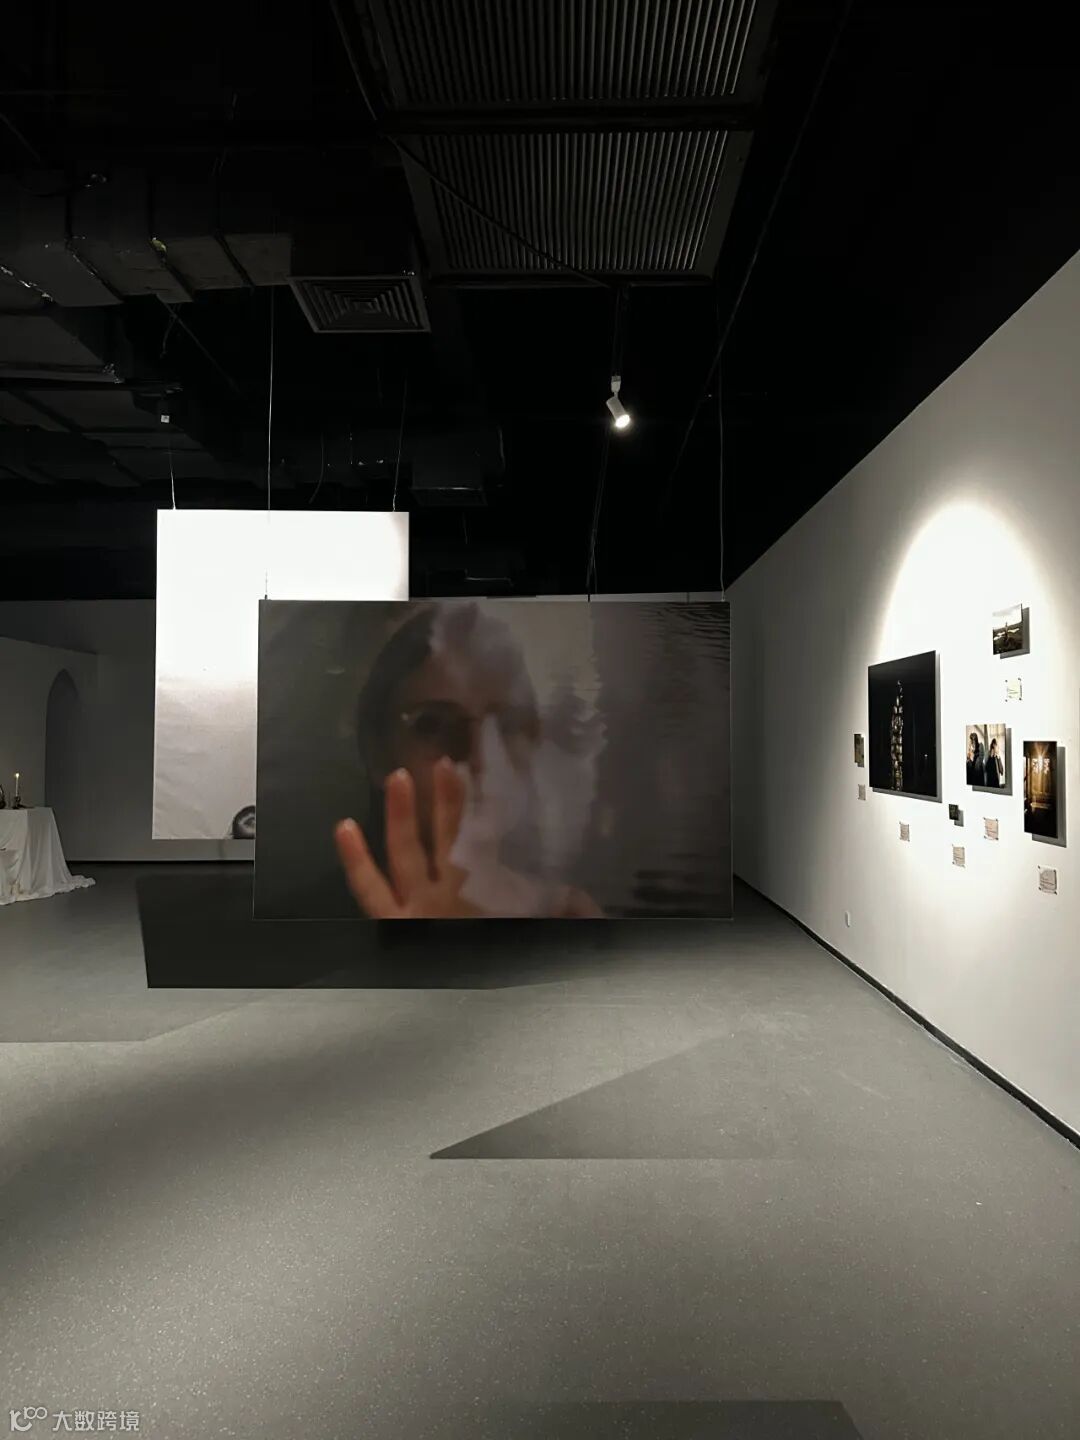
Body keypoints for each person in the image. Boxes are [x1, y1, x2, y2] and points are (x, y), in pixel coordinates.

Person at [334, 602, 604, 919]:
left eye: (508, 724)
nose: (481, 760)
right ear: (377, 753)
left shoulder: (566, 914)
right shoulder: (313, 921)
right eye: (432, 725)